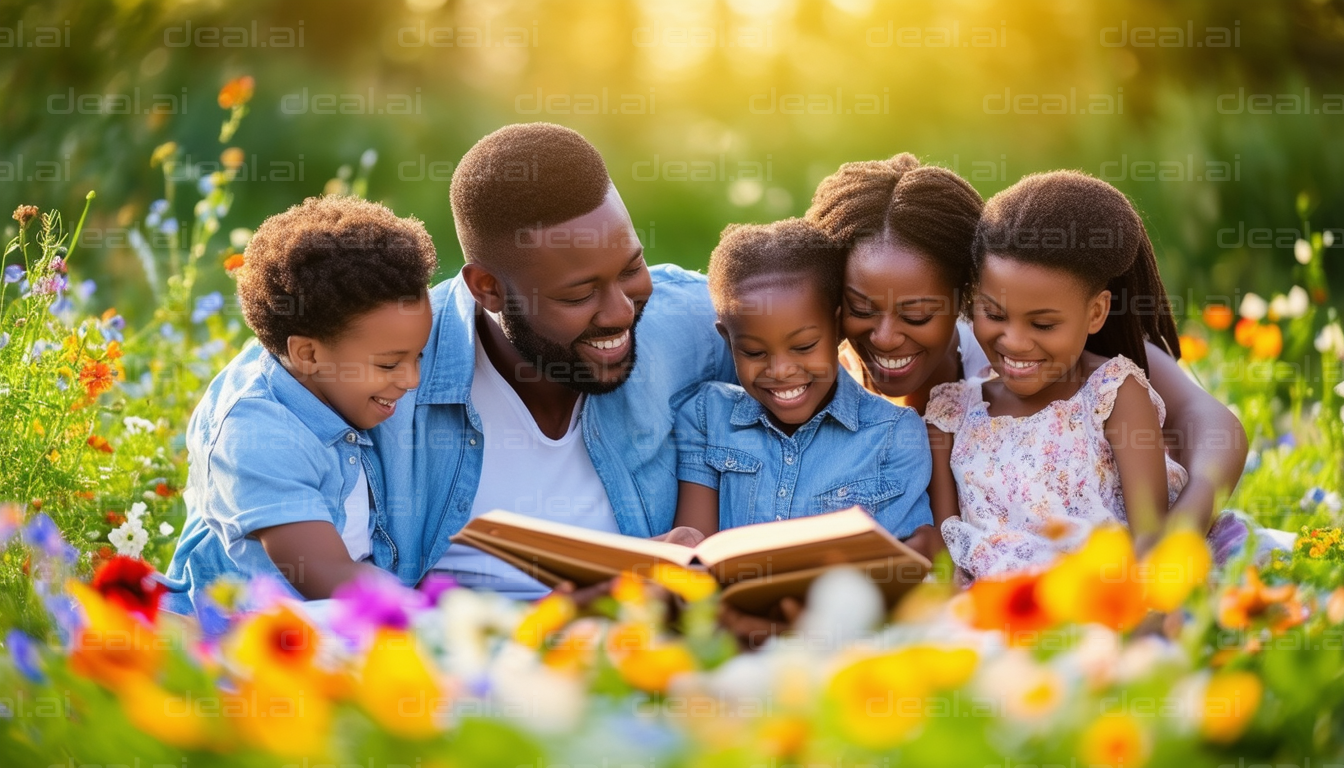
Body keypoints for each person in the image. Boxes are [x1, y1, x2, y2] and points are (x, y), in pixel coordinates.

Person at [805, 154, 1249, 550]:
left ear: (965, 293)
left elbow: (1211, 423)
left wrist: (1180, 532)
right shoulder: (804, 374)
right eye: (861, 308)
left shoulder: (1031, 351)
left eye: (917, 314)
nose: (884, 337)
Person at [367, 123, 733, 597]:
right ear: (489, 289)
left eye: (631, 268)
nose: (622, 311)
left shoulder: (697, 326)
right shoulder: (384, 366)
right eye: (579, 294)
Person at [163, 197, 437, 614]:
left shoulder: (320, 373)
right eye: (389, 363)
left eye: (417, 356)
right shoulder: (255, 431)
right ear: (307, 354)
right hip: (238, 641)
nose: (411, 380)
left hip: (322, 626)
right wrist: (446, 618)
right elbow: (325, 576)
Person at [923, 170, 1188, 577]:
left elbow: (1149, 540)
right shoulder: (951, 414)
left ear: (1096, 312)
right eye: (993, 314)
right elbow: (947, 558)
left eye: (1043, 325)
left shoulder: (1112, 395)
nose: (1013, 341)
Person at [672, 219, 936, 556]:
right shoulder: (707, 417)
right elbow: (696, 554)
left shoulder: (893, 435)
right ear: (728, 340)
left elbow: (898, 566)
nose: (780, 371)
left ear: (839, 327)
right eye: (754, 352)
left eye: (804, 346)